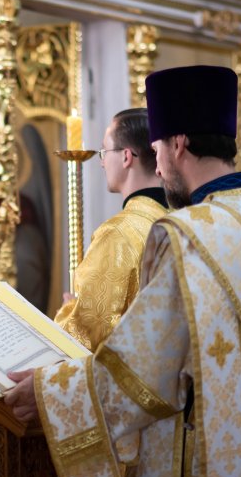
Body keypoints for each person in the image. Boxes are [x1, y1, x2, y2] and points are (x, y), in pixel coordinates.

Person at [5, 65, 241, 477]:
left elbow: (140, 373)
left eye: (156, 149)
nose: (156, 167)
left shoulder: (189, 238)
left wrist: (50, 392)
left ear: (178, 143)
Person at [54, 108, 168, 352]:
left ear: (126, 157)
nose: (102, 162)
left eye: (104, 152)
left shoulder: (118, 234)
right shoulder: (177, 219)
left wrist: (69, 310)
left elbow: (84, 334)